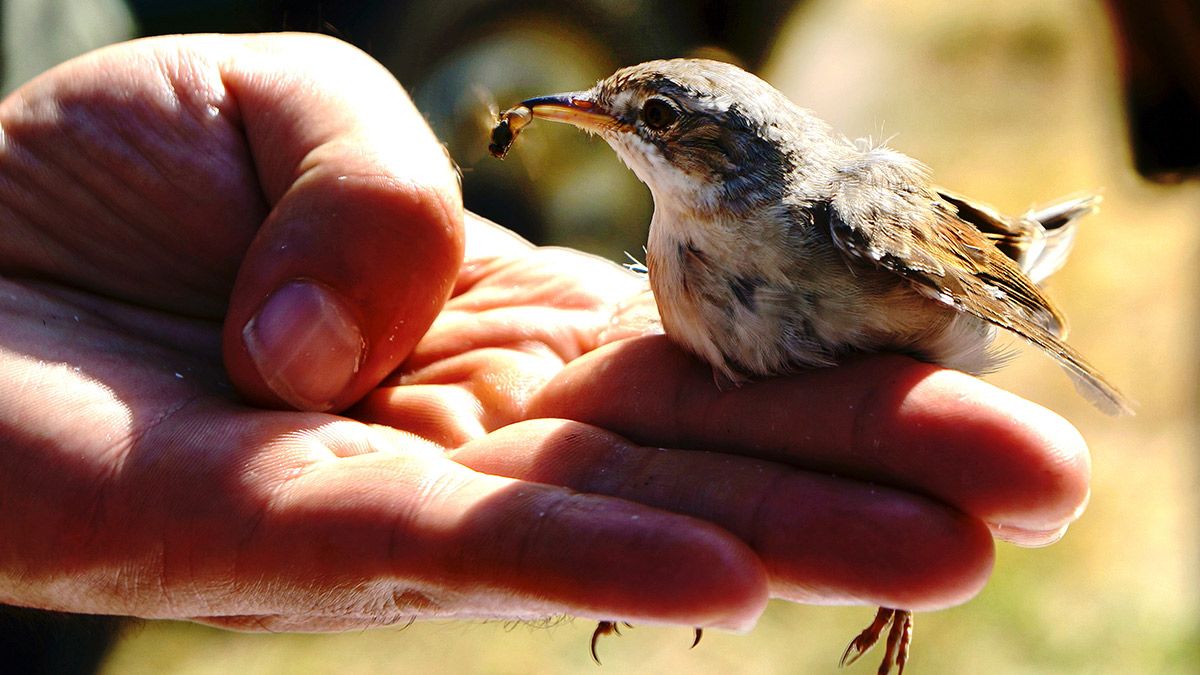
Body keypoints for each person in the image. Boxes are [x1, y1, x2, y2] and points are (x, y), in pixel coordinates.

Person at [0, 33, 1088, 638]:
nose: (600, 121)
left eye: (652, 121)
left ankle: (899, 578)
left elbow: (976, 278)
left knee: (892, 465)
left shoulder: (836, 215)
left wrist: (1028, 286)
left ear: (726, 149)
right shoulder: (672, 252)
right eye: (613, 112)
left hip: (936, 291)